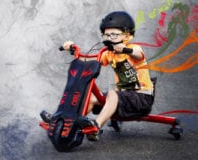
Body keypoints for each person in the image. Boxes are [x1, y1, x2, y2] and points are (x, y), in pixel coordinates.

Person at [41, 11, 154, 140]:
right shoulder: (109, 53)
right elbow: (89, 62)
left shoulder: (134, 48)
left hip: (141, 98)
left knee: (112, 94)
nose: (109, 38)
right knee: (91, 97)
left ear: (127, 35)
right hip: (122, 99)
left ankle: (95, 127)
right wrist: (73, 50)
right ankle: (67, 120)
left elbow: (138, 54)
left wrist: (125, 49)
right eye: (106, 35)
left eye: (114, 35)